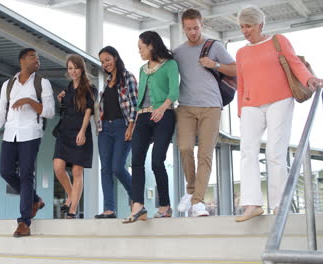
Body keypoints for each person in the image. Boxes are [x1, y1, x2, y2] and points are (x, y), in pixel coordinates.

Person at [235, 5, 323, 222]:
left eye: (248, 26)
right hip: (250, 104)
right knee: (247, 152)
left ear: (260, 24)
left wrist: (309, 80)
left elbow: (295, 64)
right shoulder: (241, 52)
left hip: (279, 100)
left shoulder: (278, 41)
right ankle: (252, 203)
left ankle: (279, 205)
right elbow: (241, 81)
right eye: (241, 27)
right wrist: (240, 109)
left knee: (275, 152)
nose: (245, 31)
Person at [0, 48, 54, 237]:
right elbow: (2, 112)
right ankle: (35, 200)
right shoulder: (8, 85)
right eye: (32, 56)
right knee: (6, 171)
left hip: (31, 133)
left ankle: (24, 222)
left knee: (27, 175)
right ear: (21, 61)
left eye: (38, 57)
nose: (37, 60)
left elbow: (49, 112)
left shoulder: (42, 83)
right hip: (10, 134)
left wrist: (29, 100)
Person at [173, 8, 237, 217]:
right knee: (184, 147)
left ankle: (198, 201)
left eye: (196, 28)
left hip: (211, 106)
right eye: (188, 29)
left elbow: (236, 69)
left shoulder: (214, 46)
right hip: (186, 107)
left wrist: (215, 64)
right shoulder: (178, 52)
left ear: (202, 25)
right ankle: (192, 191)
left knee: (205, 154)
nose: (193, 32)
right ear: (183, 29)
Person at [123, 31, 179, 224]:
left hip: (164, 115)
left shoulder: (170, 65)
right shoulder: (142, 69)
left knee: (157, 161)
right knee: (136, 160)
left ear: (151, 46)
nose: (139, 51)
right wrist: (136, 119)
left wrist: (162, 108)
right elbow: (140, 98)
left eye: (141, 47)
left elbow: (174, 91)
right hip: (143, 117)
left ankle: (165, 206)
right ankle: (138, 206)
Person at [94, 46, 138, 219]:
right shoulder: (106, 82)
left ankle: (136, 199)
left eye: (107, 60)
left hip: (122, 126)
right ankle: (109, 210)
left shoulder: (128, 78)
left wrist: (131, 127)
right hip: (104, 128)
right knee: (105, 169)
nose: (105, 64)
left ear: (115, 58)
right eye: (102, 62)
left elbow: (134, 105)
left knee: (117, 167)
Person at [53, 54, 97, 219]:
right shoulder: (67, 88)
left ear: (82, 69)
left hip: (80, 132)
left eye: (76, 68)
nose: (73, 71)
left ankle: (73, 209)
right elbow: (66, 109)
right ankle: (71, 195)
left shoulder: (90, 89)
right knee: (58, 167)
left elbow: (88, 112)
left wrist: (82, 131)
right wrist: (60, 100)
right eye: (70, 68)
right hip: (64, 131)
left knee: (78, 171)